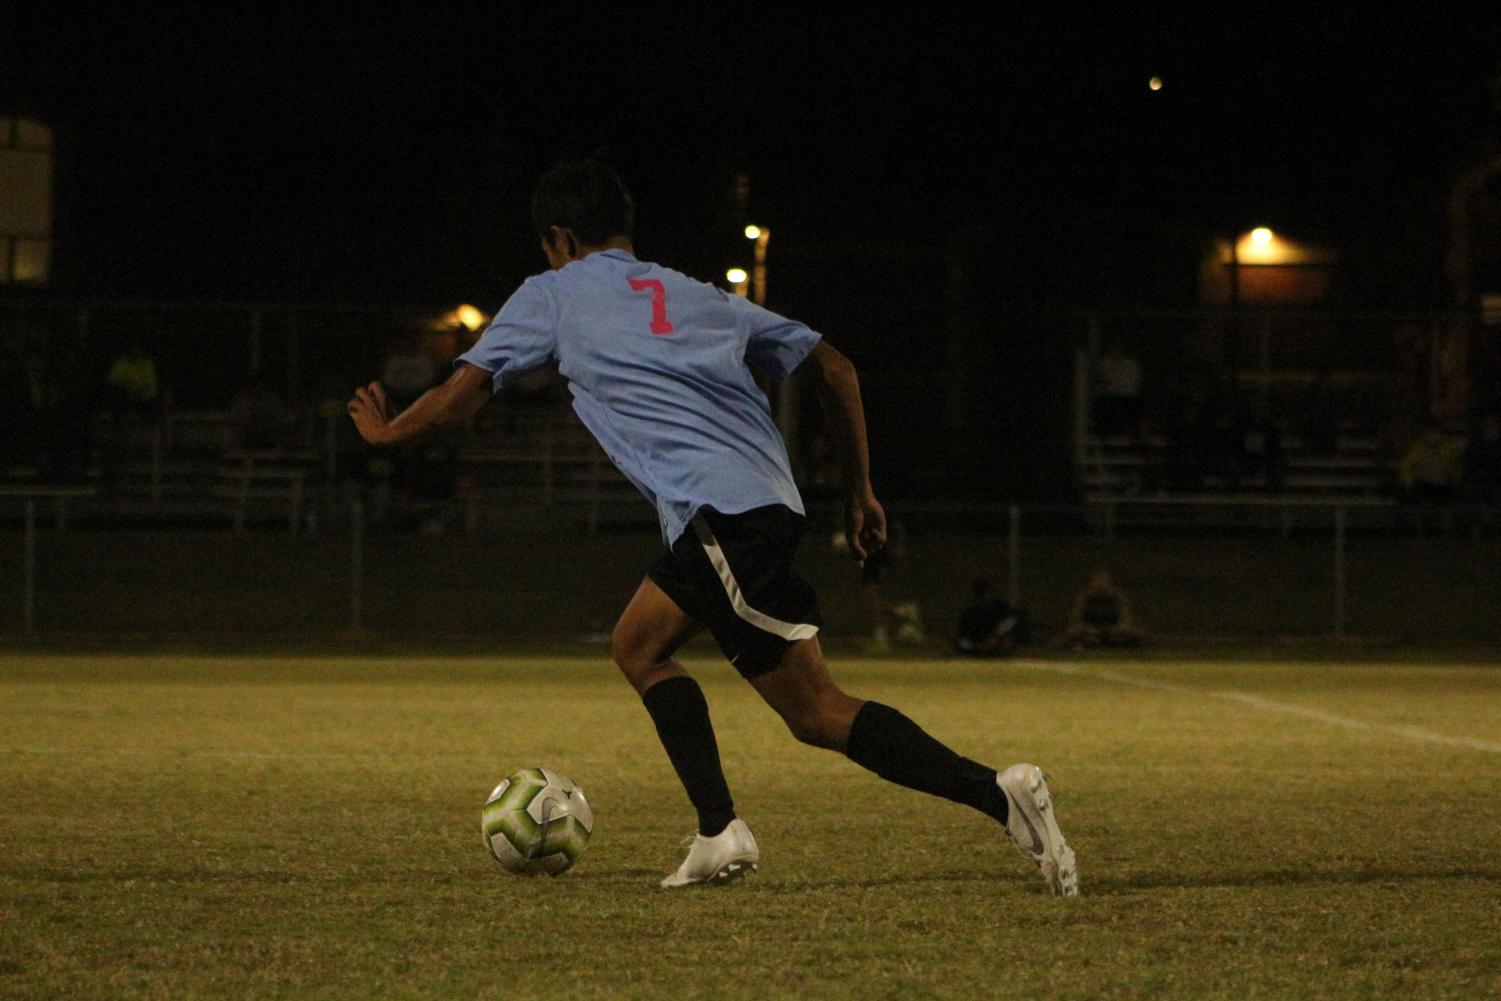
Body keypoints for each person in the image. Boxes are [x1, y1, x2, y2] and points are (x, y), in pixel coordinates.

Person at [347, 160, 1078, 895]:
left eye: (548, 246)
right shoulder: (697, 295)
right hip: (752, 506)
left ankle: (997, 794)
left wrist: (387, 434)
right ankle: (716, 829)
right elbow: (837, 369)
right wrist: (859, 491)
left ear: (560, 238)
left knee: (818, 713)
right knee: (637, 643)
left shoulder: (553, 292)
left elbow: (461, 394)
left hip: (719, 514)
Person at [1066, 565, 1145, 649]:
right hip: (1090, 630)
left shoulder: (1117, 596)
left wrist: (1118, 628)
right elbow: (1076, 618)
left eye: (1103, 580)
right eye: (1097, 580)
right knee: (1075, 633)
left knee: (1133, 633)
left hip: (1113, 630)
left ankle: (1116, 644)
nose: (1100, 583)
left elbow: (1125, 618)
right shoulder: (1084, 597)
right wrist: (1087, 629)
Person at [954, 578, 1030, 657]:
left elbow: (1014, 618)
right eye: (980, 595)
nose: (984, 598)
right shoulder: (971, 613)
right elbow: (962, 635)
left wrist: (996, 635)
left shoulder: (1000, 608)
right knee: (961, 643)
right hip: (978, 646)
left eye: (985, 594)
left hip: (998, 642)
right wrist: (978, 645)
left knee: (1012, 634)